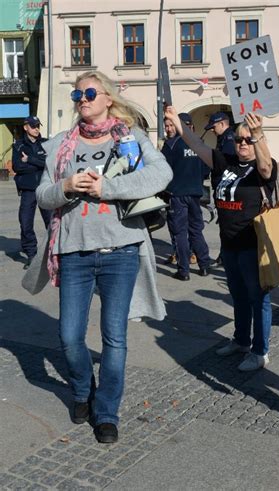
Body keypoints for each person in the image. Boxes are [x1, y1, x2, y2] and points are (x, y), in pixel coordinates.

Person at [34, 71, 172, 443]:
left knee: (115, 338)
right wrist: (64, 186)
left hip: (120, 251)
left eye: (90, 92)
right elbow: (42, 195)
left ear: (108, 98)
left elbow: (162, 174)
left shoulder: (129, 137)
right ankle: (82, 391)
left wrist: (107, 188)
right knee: (69, 337)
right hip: (74, 252)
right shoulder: (61, 144)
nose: (82, 98)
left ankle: (107, 411)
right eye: (77, 93)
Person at [165, 105, 276, 371]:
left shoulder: (260, 170)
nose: (243, 144)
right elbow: (196, 143)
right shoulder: (224, 162)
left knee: (258, 299)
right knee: (238, 297)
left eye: (248, 140)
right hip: (229, 245)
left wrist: (258, 134)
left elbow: (266, 166)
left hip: (252, 244)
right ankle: (241, 341)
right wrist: (177, 123)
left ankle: (260, 351)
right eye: (239, 139)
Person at [161, 112, 212, 281]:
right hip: (196, 193)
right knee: (196, 230)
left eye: (170, 125)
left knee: (180, 233)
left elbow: (162, 171)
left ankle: (184, 271)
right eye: (167, 126)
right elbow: (206, 170)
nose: (168, 129)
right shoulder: (199, 143)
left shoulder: (171, 145)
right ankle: (204, 265)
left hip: (177, 194)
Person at [12, 116, 52, 269]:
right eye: (33, 126)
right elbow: (16, 167)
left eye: (38, 126)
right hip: (28, 190)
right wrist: (38, 164)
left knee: (51, 223)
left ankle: (53, 255)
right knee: (25, 223)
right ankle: (31, 255)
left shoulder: (46, 143)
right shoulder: (18, 146)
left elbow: (49, 165)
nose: (37, 129)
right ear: (26, 127)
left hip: (45, 188)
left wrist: (30, 160)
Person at [205, 112, 236, 267]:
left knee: (227, 225)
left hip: (226, 188)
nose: (212, 130)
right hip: (222, 187)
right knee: (224, 224)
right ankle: (225, 256)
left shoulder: (229, 139)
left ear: (222, 124)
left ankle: (226, 256)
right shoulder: (224, 138)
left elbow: (226, 166)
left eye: (214, 126)